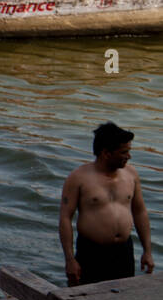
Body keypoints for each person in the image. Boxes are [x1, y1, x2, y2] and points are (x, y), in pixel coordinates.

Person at [59, 122, 154, 286]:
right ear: (106, 153)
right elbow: (65, 218)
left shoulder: (131, 174)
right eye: (124, 152)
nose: (129, 156)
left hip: (123, 251)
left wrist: (147, 251)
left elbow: (140, 212)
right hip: (91, 252)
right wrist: (70, 259)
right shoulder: (79, 178)